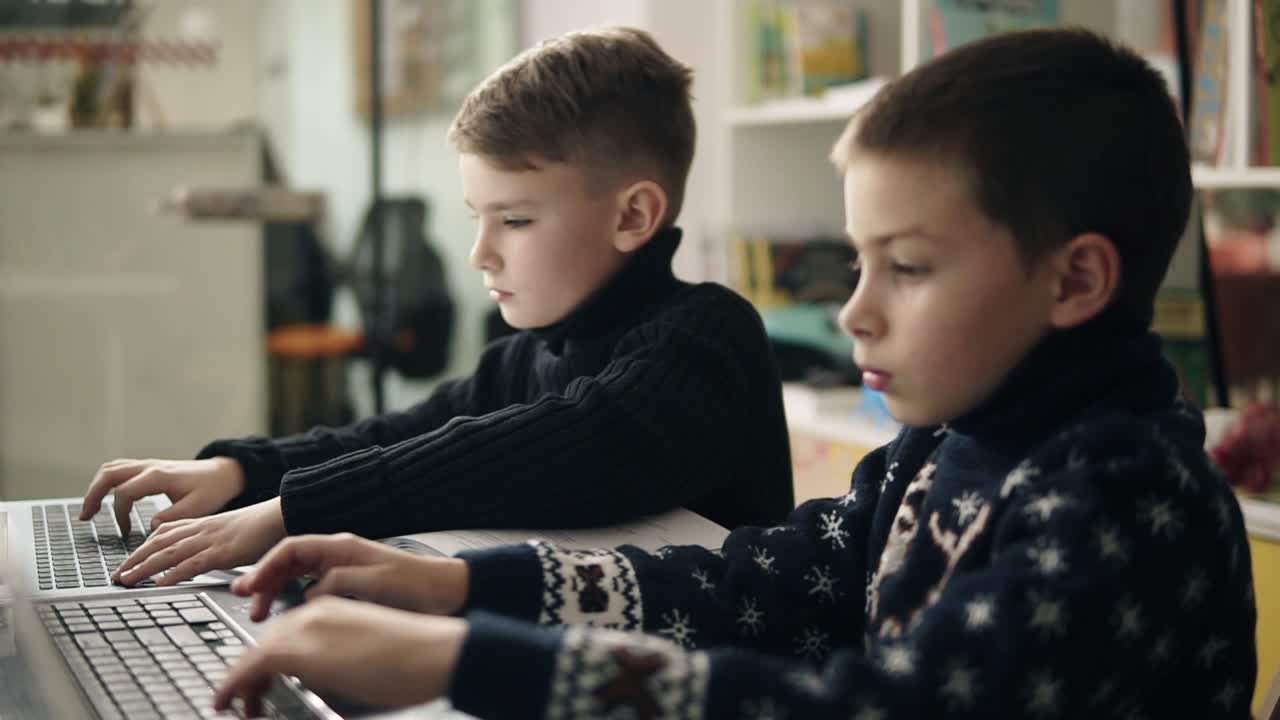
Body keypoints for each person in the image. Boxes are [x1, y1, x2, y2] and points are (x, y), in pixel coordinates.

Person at [211, 27, 1260, 719]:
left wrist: (468, 660)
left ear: (1072, 280)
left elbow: (881, 706)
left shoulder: (1117, 497)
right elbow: (759, 581)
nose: (852, 309)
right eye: (859, 262)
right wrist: (460, 587)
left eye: (906, 267)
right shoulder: (945, 443)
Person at [83, 27, 794, 587]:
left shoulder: (706, 337)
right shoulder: (528, 353)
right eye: (475, 218)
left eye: (513, 220)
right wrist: (242, 471)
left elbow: (553, 447)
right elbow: (403, 434)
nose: (478, 253)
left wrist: (294, 511)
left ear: (633, 215)